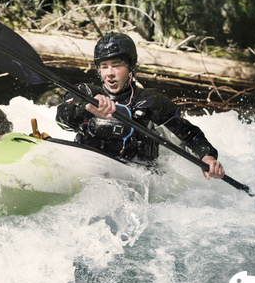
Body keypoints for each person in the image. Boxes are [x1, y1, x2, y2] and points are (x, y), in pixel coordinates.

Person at [56, 31, 225, 180]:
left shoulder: (151, 102)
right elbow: (62, 119)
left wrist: (207, 157)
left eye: (116, 65)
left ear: (130, 67)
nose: (110, 73)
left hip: (137, 177)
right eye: (104, 67)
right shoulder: (85, 94)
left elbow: (188, 135)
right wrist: (85, 109)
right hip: (89, 169)